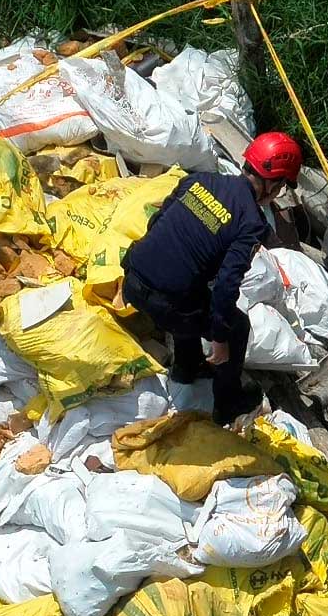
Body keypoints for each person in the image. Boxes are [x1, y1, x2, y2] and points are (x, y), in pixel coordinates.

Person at [121, 132, 303, 424]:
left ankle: (186, 366)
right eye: (282, 186)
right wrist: (220, 340)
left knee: (191, 294)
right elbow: (226, 287)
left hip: (131, 277)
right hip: (164, 302)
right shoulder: (251, 222)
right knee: (236, 326)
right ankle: (228, 404)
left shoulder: (200, 181)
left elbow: (157, 221)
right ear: (275, 183)